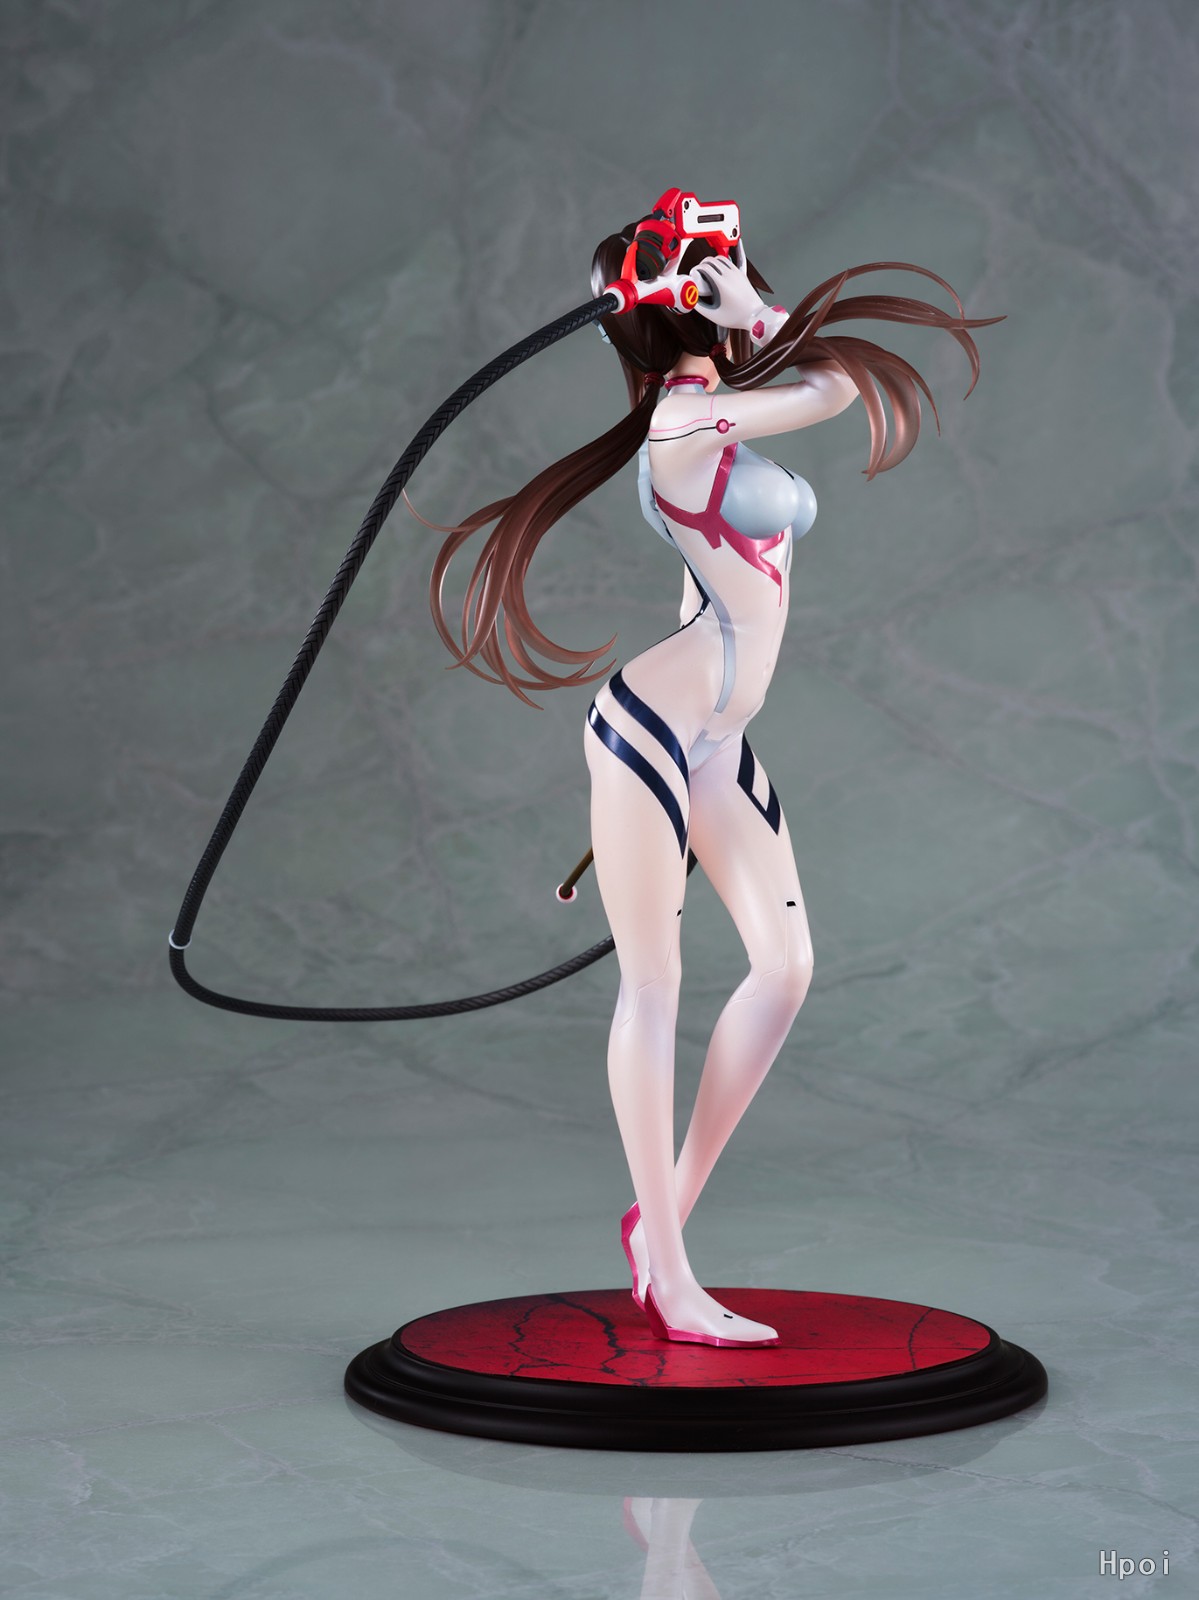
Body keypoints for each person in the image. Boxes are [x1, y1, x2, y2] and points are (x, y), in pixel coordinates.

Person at [418, 213, 997, 1346]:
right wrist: (760, 318)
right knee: (655, 984)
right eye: (713, 276)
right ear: (681, 309)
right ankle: (672, 1280)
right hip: (653, 727)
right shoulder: (682, 420)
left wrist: (742, 315)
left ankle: (661, 1221)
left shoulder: (710, 417)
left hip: (720, 740)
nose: (736, 285)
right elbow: (833, 388)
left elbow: (724, 562)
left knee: (785, 968)